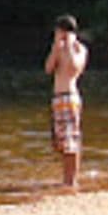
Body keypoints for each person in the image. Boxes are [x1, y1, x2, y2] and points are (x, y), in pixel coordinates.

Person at [45, 13, 88, 189]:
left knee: (71, 140)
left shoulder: (79, 49)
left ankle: (71, 180)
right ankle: (66, 179)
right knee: (63, 142)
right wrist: (56, 46)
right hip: (58, 97)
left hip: (69, 97)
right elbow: (48, 68)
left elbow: (73, 67)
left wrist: (70, 44)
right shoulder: (59, 48)